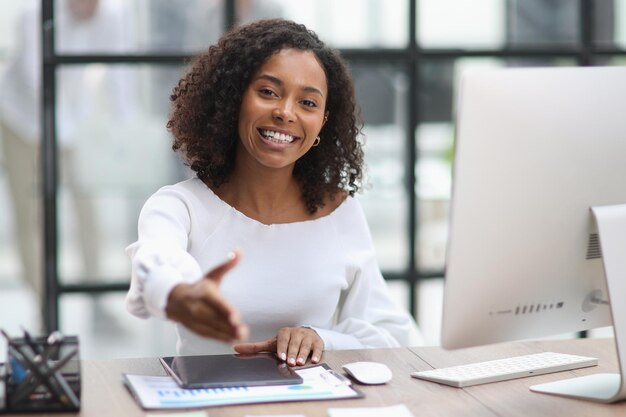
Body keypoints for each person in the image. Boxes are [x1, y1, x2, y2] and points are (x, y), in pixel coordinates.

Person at [126, 18, 423, 366]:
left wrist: (319, 337)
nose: (285, 113)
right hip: (211, 403)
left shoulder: (340, 210)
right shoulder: (180, 206)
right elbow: (156, 262)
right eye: (268, 92)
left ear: (322, 124)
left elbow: (394, 335)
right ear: (235, 98)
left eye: (308, 103)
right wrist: (179, 292)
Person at [0, 0, 132, 323]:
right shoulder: (36, 13)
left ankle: (97, 300)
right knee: (32, 215)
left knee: (87, 206)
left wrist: (127, 133)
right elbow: (37, 80)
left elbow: (119, 72)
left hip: (71, 119)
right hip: (21, 121)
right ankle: (45, 306)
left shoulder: (112, 16)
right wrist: (59, 136)